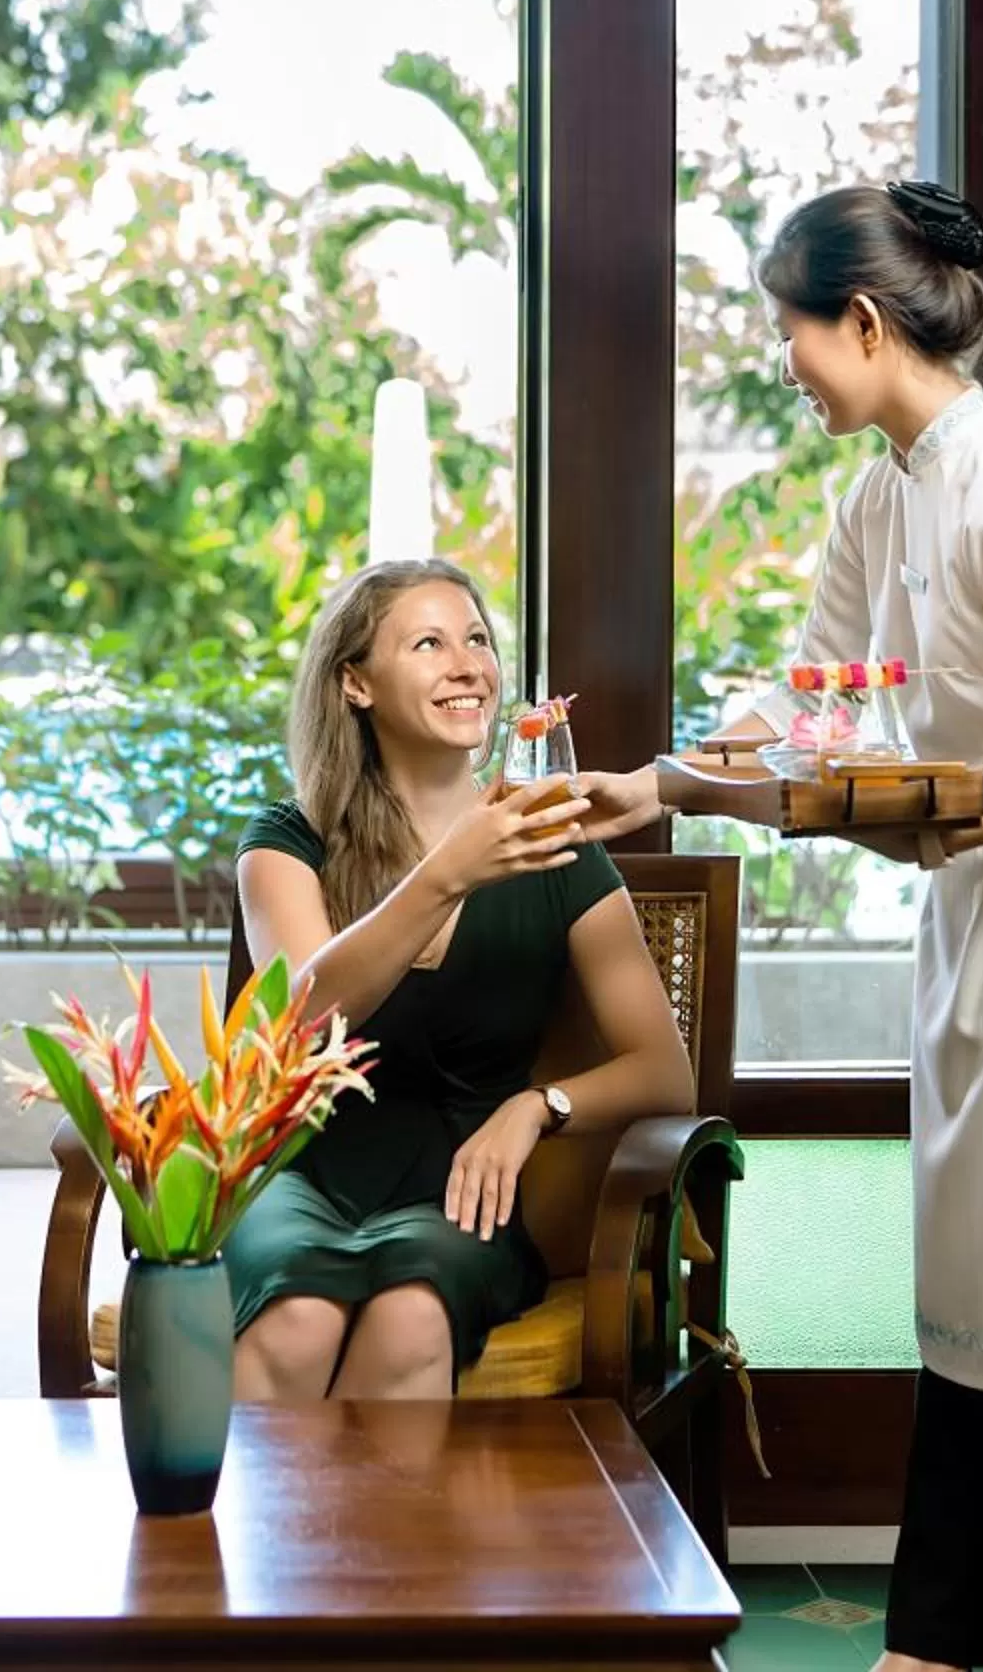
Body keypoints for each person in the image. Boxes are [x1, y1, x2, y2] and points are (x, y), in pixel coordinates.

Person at [575, 182, 983, 1672]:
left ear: (865, 324)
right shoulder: (883, 492)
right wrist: (665, 782)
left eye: (793, 336)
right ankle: (932, 1639)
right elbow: (810, 693)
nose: (790, 365)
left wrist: (950, 812)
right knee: (972, 1300)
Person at [228, 559, 696, 1400]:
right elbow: (302, 1023)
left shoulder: (557, 846)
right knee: (296, 1318)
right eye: (428, 643)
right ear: (354, 683)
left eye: (476, 639)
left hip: (462, 1203)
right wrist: (447, 872)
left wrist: (537, 1107)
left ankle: (393, 1537)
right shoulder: (288, 841)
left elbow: (664, 1071)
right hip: (304, 1177)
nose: (466, 665)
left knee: (410, 1314)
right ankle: (275, 1535)